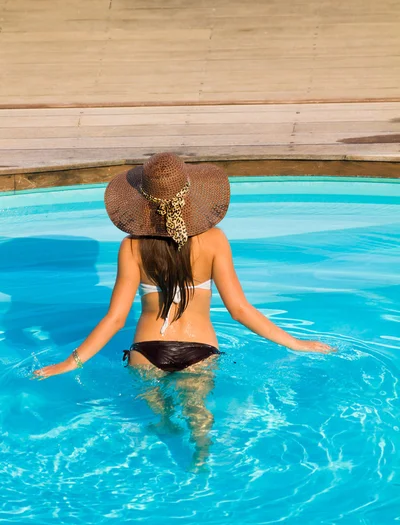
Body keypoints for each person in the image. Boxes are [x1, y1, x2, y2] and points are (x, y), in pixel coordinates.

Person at [33, 152, 334, 381]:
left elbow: (115, 320)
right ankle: (200, 456)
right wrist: (296, 343)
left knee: (158, 426)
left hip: (147, 353)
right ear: (189, 196)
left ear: (143, 202)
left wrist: (69, 363)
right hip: (199, 349)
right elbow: (239, 310)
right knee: (199, 422)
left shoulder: (132, 246)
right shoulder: (214, 241)